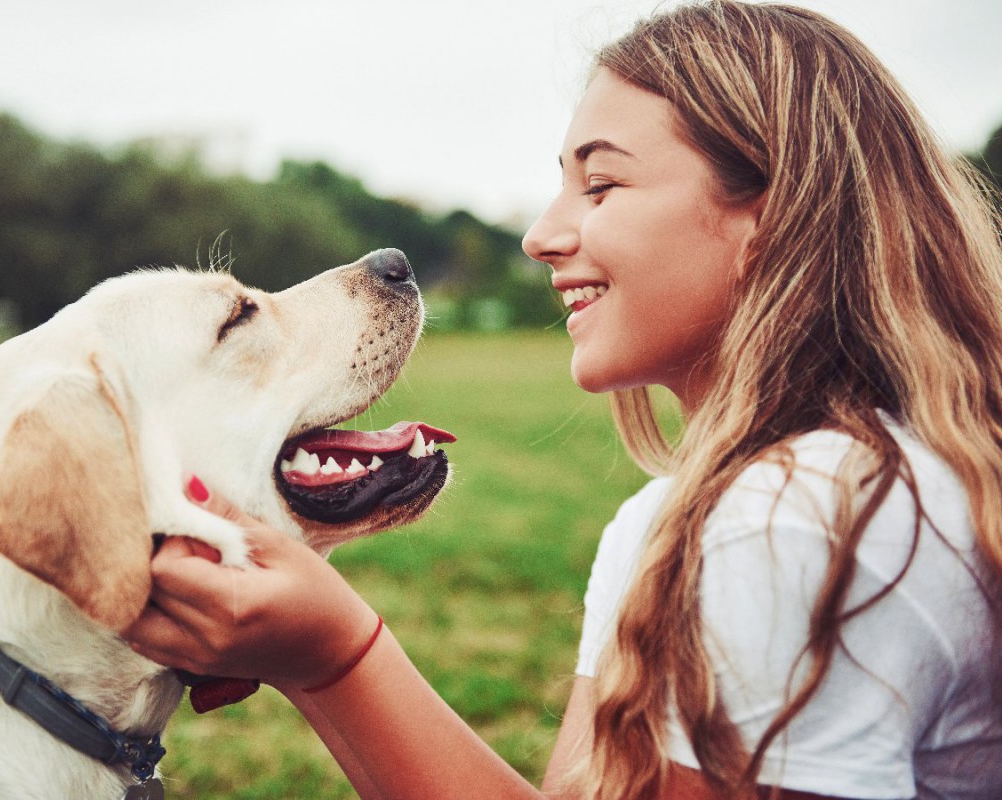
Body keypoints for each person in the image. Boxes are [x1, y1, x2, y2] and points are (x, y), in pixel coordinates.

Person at [123, 2, 1002, 798]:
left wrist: (333, 658)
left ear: (774, 217)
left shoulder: (800, 517)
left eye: (602, 184)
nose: (541, 236)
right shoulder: (667, 523)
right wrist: (319, 656)